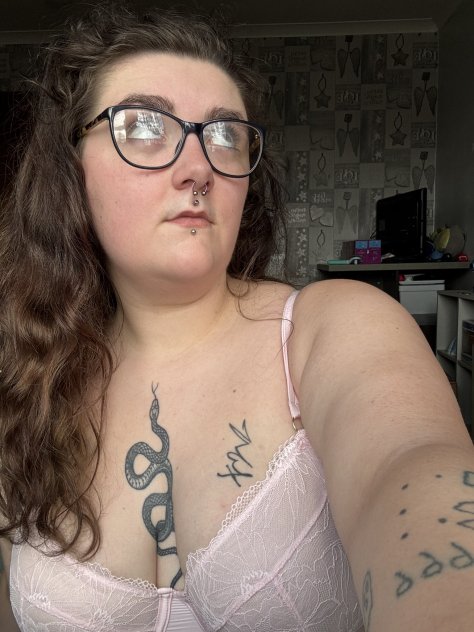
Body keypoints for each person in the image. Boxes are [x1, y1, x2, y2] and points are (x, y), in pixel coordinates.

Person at [0, 3, 473, 631]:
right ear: (71, 169)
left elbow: (412, 464)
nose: (199, 167)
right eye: (143, 125)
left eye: (225, 134)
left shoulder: (333, 325)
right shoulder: (27, 380)